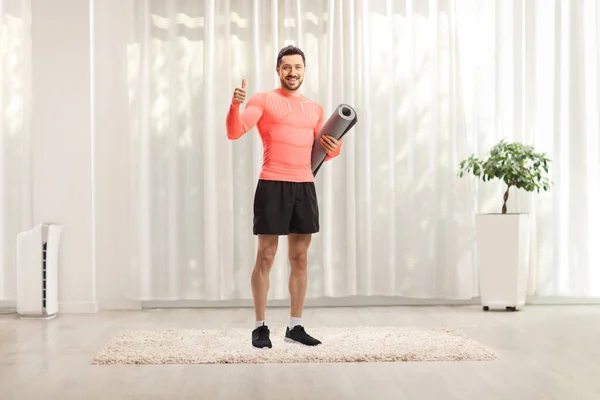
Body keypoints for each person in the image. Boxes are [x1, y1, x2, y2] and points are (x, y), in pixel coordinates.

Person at [225, 45, 343, 348]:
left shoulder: (314, 108)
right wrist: (233, 106)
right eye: (287, 67)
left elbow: (326, 151)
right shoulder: (263, 100)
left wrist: (334, 147)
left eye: (298, 67)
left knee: (300, 258)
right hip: (272, 185)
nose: (293, 73)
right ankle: (260, 327)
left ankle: (295, 326)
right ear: (278, 70)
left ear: (304, 70)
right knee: (265, 256)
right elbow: (235, 132)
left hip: (304, 186)